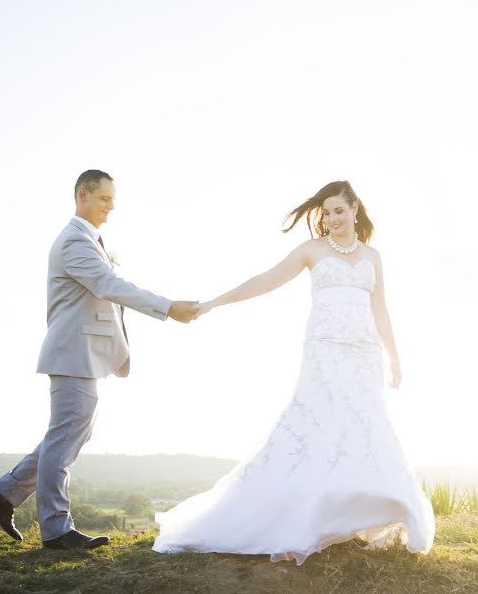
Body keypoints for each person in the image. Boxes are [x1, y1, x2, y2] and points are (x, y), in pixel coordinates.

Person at [152, 180, 435, 564]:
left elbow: (380, 308)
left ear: (354, 210)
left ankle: (358, 516)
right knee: (318, 426)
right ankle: (310, 516)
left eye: (339, 210)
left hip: (364, 355)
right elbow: (264, 280)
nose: (333, 218)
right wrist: (215, 302)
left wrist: (395, 356)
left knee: (364, 428)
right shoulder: (312, 251)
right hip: (324, 354)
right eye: (327, 212)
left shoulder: (373, 257)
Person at [0, 170, 200, 550]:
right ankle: (55, 529)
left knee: (69, 434)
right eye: (105, 198)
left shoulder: (89, 240)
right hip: (73, 352)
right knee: (65, 438)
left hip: (86, 355)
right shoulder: (73, 241)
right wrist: (168, 308)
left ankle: (6, 491)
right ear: (83, 194)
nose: (112, 206)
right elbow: (108, 285)